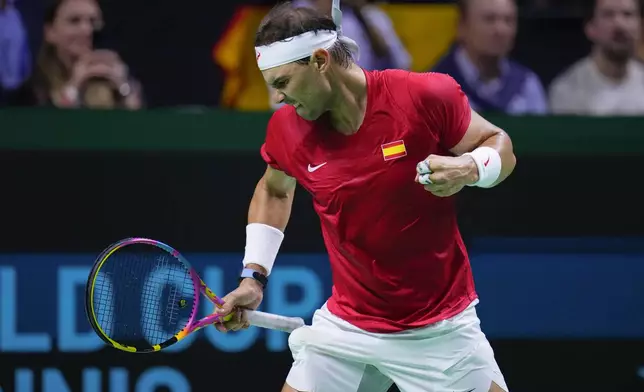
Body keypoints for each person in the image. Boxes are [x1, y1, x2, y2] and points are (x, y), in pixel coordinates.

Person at [215, 1, 516, 392]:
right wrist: (253, 277)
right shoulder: (287, 129)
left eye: (283, 83)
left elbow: (500, 145)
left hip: (438, 331)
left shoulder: (423, 95)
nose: (276, 99)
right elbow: (274, 188)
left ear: (320, 61)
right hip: (347, 328)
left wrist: (471, 168)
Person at [6, 0, 143, 108]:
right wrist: (74, 87)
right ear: (50, 32)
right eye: (74, 21)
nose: (87, 30)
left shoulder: (118, 82)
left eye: (93, 22)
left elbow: (139, 131)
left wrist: (123, 89)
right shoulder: (32, 91)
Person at [432, 0, 548, 115]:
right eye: (489, 19)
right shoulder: (434, 88)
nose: (500, 30)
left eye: (508, 20)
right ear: (462, 26)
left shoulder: (527, 86)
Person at [548, 0, 644, 115]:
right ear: (590, 28)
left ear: (640, 26)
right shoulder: (567, 91)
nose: (619, 24)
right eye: (608, 15)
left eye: (628, 14)